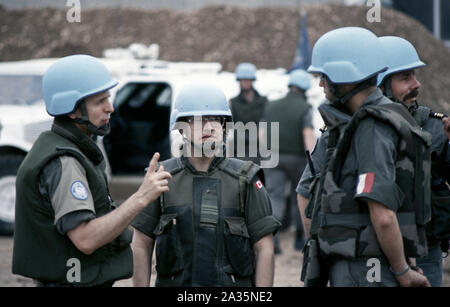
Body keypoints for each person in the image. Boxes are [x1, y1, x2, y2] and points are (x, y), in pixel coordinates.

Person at [12, 55, 171, 287]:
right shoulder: (65, 162)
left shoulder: (71, 147)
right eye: (100, 101)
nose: (111, 107)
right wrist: (141, 197)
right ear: (74, 110)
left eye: (108, 98)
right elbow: (85, 239)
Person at [299, 27, 431, 287]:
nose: (321, 85)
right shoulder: (385, 118)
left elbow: (382, 215)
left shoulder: (371, 126)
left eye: (325, 77)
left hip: (364, 267)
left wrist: (403, 271)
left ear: (344, 77)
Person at [131, 83, 280, 287]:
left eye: (216, 120)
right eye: (198, 120)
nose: (209, 127)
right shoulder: (161, 177)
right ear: (181, 127)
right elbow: (141, 243)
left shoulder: (246, 178)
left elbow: (264, 247)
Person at [377, 36, 450, 287]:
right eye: (405, 78)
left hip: (424, 250)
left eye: (415, 76)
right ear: (380, 84)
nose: (416, 85)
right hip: (370, 253)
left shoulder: (435, 126)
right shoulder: (350, 131)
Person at [263, 69, 315, 253]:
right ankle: (300, 240)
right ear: (305, 89)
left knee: (274, 198)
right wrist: (314, 160)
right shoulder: (305, 108)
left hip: (273, 157)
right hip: (297, 159)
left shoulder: (272, 105)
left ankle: (273, 240)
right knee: (298, 198)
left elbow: (262, 133)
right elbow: (307, 134)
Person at [229, 62, 268, 165]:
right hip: (239, 149)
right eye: (242, 80)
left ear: (252, 81)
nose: (245, 83)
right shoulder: (233, 102)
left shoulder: (263, 101)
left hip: (259, 148)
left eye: (247, 80)